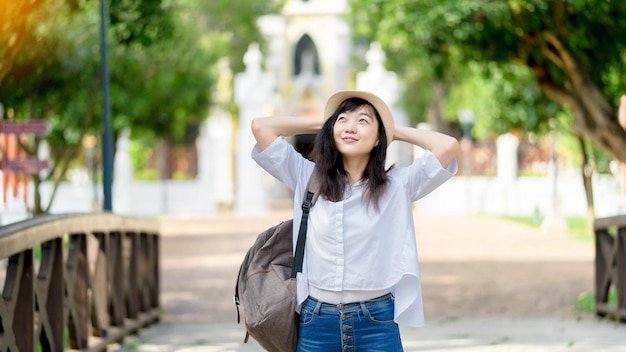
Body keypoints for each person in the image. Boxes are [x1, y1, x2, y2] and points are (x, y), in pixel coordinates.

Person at [251, 90, 459, 351]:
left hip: (376, 323)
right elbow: (261, 127)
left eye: (363, 121)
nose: (350, 126)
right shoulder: (305, 176)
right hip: (316, 322)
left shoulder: (399, 185)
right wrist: (325, 123)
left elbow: (448, 146)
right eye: (343, 119)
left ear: (379, 138)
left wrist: (392, 129)